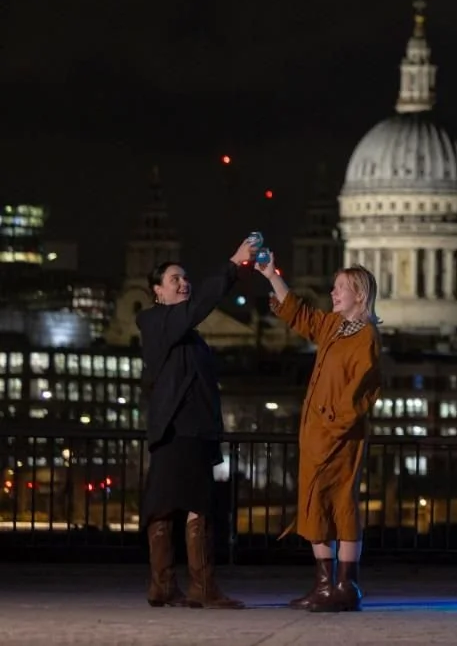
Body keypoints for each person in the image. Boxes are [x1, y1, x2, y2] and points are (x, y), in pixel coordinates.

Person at [260, 258, 383, 613]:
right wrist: (271, 275)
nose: (333, 292)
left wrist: (334, 421)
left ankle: (344, 586)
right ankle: (328, 586)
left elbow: (364, 389)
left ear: (358, 295)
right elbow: (299, 314)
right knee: (317, 503)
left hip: (338, 435)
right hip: (318, 433)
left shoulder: (365, 336)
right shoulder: (334, 327)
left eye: (340, 288)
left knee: (339, 502)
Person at [137, 240, 255, 610]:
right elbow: (200, 305)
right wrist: (233, 265)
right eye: (175, 279)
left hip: (183, 429)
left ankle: (164, 586)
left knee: (166, 504)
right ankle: (200, 587)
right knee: (195, 506)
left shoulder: (179, 329)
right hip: (182, 428)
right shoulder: (158, 320)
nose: (183, 283)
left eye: (185, 278)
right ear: (157, 291)